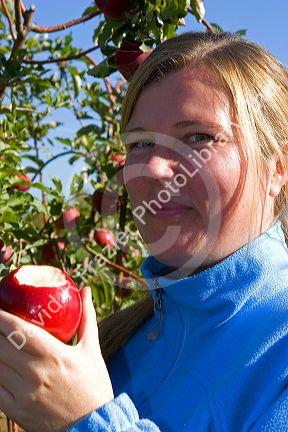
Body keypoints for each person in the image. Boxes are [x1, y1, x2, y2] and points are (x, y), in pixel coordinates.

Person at [0, 31, 287, 432]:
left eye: (198, 138)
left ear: (277, 169)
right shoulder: (121, 339)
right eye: (140, 143)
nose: (151, 168)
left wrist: (86, 421)